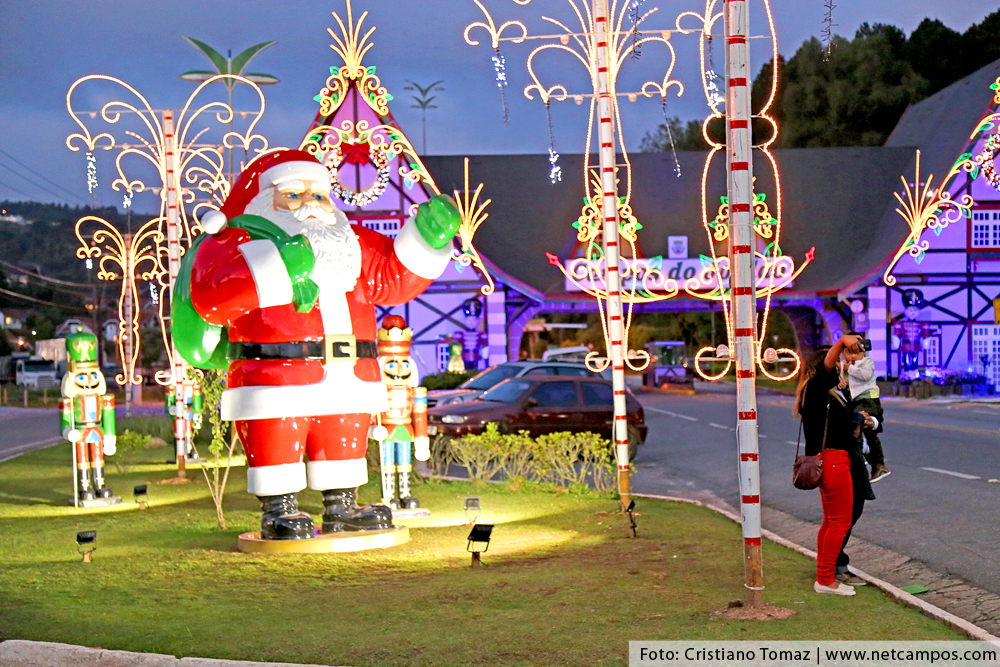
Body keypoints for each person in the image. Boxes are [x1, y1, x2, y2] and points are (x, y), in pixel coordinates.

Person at [185, 149, 460, 540]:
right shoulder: (233, 241)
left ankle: (342, 506)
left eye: (318, 194)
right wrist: (282, 264)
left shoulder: (349, 240)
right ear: (264, 198)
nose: (310, 205)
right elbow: (213, 297)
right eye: (294, 194)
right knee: (277, 438)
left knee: (344, 437)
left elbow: (392, 278)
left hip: (350, 375)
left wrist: (427, 240)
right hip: (275, 377)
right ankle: (278, 509)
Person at [795, 334, 878, 595]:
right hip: (833, 460)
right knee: (839, 523)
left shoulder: (822, 393)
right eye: (839, 363)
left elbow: (842, 416)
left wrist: (860, 418)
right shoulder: (820, 384)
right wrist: (842, 341)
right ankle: (825, 580)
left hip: (827, 459)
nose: (843, 366)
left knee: (831, 522)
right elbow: (827, 366)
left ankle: (826, 574)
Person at [838, 340, 890, 482]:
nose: (853, 356)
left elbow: (865, 376)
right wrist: (841, 382)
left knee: (861, 424)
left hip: (869, 400)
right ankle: (876, 465)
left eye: (857, 352)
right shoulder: (842, 366)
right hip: (854, 402)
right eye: (849, 352)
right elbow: (841, 382)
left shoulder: (867, 363)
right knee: (865, 430)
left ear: (864, 352)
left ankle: (871, 458)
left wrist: (850, 369)